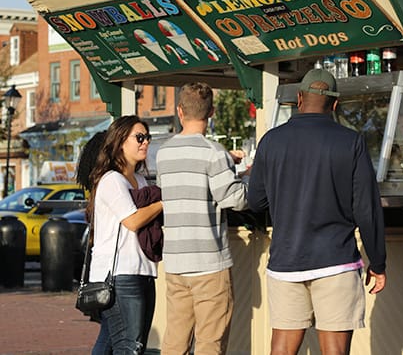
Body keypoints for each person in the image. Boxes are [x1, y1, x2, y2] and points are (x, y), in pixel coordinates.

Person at [247, 68, 387, 355]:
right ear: (335, 104)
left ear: (299, 98)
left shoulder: (271, 141)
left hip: (285, 260)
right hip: (336, 261)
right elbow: (366, 209)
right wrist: (378, 263)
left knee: (282, 347)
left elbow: (255, 202)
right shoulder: (351, 142)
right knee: (335, 350)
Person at [155, 82, 249, 355]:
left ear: (180, 111)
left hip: (175, 262)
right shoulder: (214, 153)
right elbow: (234, 199)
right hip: (209, 262)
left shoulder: (164, 153)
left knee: (175, 339)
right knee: (210, 342)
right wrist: (246, 182)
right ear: (212, 112)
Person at [86, 116, 163, 354]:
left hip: (143, 271)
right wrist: (164, 203)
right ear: (120, 142)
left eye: (147, 137)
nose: (145, 142)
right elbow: (132, 221)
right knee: (130, 345)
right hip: (120, 275)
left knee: (111, 341)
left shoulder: (139, 180)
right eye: (139, 137)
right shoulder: (112, 180)